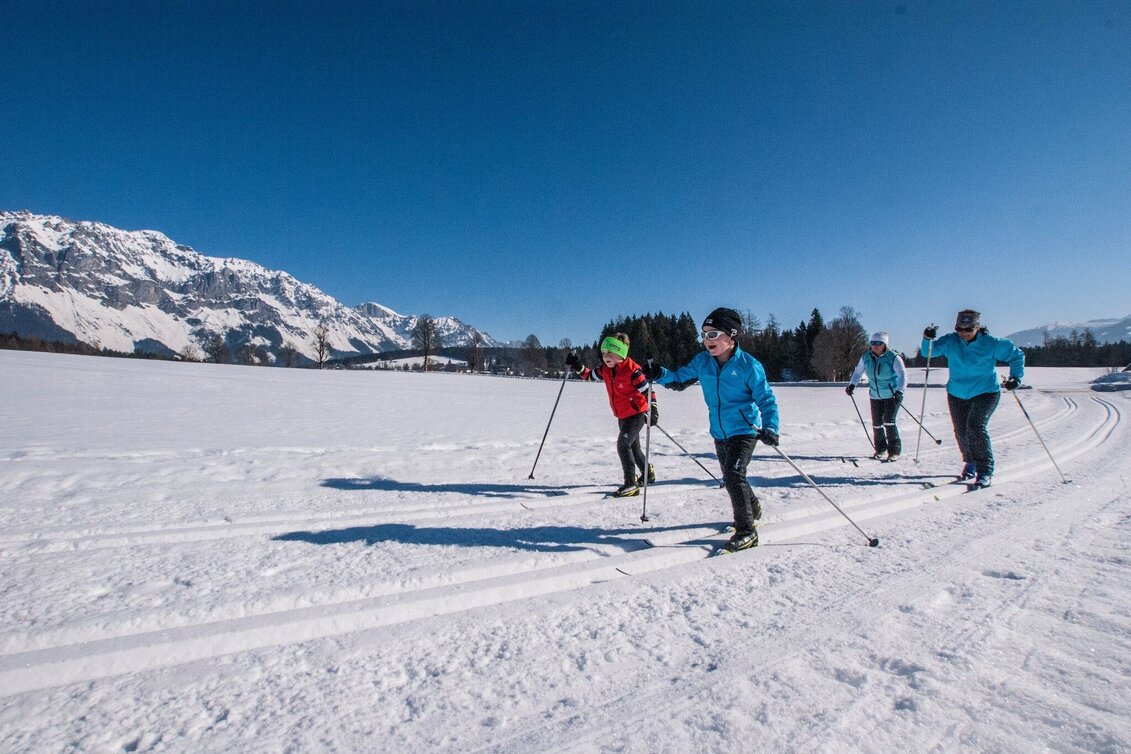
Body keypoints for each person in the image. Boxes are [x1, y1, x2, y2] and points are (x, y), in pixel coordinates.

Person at [642, 308, 779, 552]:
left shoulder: (749, 366)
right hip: (719, 431)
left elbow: (766, 400)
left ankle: (747, 530)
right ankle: (753, 508)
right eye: (704, 335)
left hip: (744, 430)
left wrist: (770, 427)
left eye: (713, 334)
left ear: (732, 335)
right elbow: (678, 379)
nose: (707, 340)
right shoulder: (702, 362)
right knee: (731, 476)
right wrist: (659, 373)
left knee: (734, 474)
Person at [921, 309, 1025, 489]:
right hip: (956, 393)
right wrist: (927, 338)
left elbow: (1017, 356)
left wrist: (1016, 377)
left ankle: (984, 471)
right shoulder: (951, 341)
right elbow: (928, 353)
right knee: (961, 430)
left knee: (976, 427)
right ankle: (970, 462)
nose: (963, 333)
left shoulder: (992, 343)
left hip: (986, 392)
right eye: (959, 329)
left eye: (968, 329)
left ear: (977, 327)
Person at [565, 333, 657, 498]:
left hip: (637, 414)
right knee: (634, 448)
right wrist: (577, 365)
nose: (605, 356)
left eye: (610, 353)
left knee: (623, 445)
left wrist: (654, 409)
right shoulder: (605, 370)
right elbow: (589, 376)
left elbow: (648, 391)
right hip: (622, 415)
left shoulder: (633, 371)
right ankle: (648, 473)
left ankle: (631, 483)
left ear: (620, 353)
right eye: (603, 352)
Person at [846, 331, 907, 461]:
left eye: (879, 343)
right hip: (875, 395)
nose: (875, 346)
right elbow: (858, 372)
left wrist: (899, 391)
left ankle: (894, 451)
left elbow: (902, 375)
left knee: (889, 422)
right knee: (877, 424)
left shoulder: (893, 357)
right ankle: (880, 449)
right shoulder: (866, 357)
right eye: (873, 343)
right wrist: (852, 385)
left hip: (892, 395)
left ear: (885, 344)